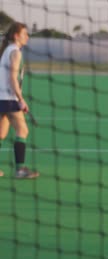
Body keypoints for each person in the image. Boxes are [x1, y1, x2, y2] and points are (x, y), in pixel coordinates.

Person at [0, 22, 39, 179]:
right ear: (16, 36)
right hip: (9, 99)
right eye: (24, 34)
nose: (27, 37)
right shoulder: (15, 52)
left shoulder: (6, 50)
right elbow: (12, 78)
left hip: (1, 98)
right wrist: (21, 100)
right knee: (22, 131)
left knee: (1, 133)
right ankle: (20, 169)